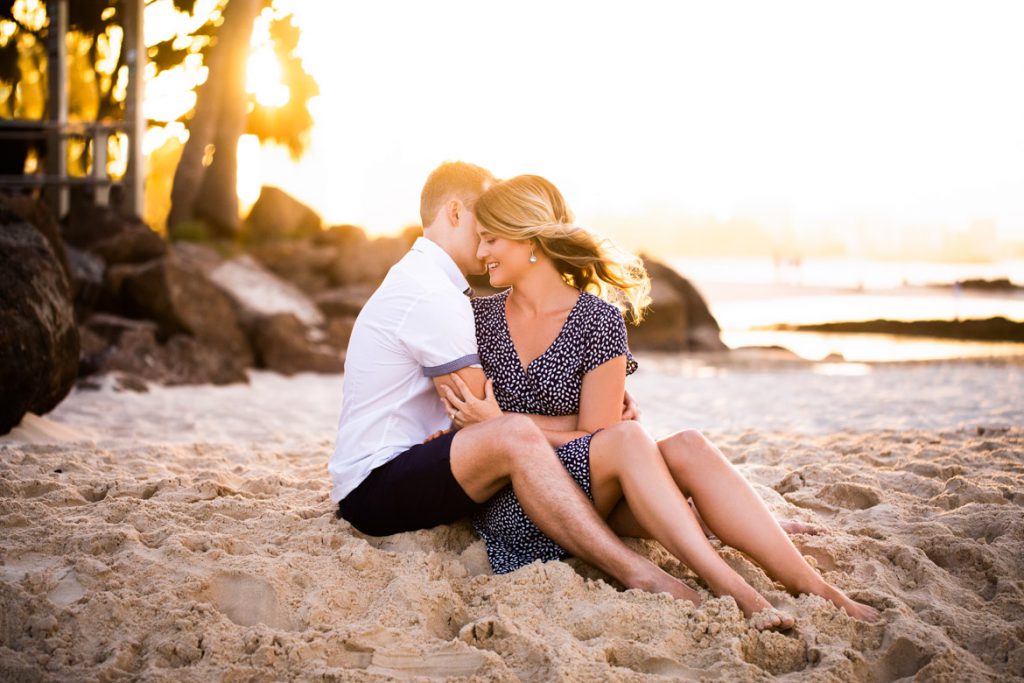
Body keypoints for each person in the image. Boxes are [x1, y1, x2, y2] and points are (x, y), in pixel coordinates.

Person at [440, 174, 880, 625]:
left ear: (528, 236)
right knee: (630, 437)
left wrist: (507, 419)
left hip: (596, 495)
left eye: (491, 239)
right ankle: (734, 588)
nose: (480, 254)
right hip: (525, 504)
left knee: (688, 444)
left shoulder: (599, 319)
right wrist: (523, 426)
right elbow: (592, 434)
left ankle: (818, 588)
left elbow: (595, 434)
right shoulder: (477, 317)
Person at [328, 161, 699, 605]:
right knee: (516, 437)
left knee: (572, 447)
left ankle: (707, 520)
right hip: (378, 486)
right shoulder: (433, 296)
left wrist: (602, 391)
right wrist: (595, 418)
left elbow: (492, 408)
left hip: (402, 465)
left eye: (498, 228)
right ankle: (631, 567)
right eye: (483, 223)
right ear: (453, 212)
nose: (489, 237)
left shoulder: (425, 281)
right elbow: (488, 418)